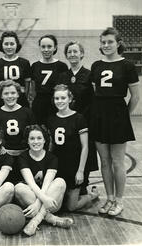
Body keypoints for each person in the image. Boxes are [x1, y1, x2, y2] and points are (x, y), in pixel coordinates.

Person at [90, 27, 139, 216]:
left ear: (118, 43)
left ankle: (119, 201)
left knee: (118, 162)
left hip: (118, 114)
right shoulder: (96, 65)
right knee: (104, 161)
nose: (106, 45)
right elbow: (95, 91)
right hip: (99, 114)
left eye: (110, 42)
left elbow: (135, 96)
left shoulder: (127, 65)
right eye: (103, 42)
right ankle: (109, 198)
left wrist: (124, 115)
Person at [47, 84, 99, 212]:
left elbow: (85, 147)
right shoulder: (51, 119)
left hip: (74, 166)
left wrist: (80, 170)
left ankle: (92, 195)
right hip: (59, 165)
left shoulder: (79, 118)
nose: (60, 101)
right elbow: (51, 146)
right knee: (57, 203)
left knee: (71, 207)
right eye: (57, 98)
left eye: (63, 98)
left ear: (70, 99)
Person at [15, 125, 73, 236]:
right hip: (32, 201)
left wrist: (39, 202)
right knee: (18, 188)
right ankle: (53, 219)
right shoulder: (23, 157)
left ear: (44, 140)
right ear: (27, 141)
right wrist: (39, 201)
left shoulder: (52, 158)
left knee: (60, 182)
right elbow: (31, 183)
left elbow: (46, 184)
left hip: (50, 201)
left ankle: (35, 221)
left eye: (39, 138)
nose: (35, 141)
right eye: (32, 138)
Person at [57, 41, 98, 195]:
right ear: (66, 55)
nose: (72, 54)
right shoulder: (62, 76)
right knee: (68, 151)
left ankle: (83, 184)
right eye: (69, 52)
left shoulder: (89, 75)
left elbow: (94, 100)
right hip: (66, 121)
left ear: (82, 54)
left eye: (75, 51)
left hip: (84, 121)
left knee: (84, 150)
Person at [0, 80, 35, 183]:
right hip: (4, 158)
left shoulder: (27, 112)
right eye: (6, 93)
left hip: (25, 158)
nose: (10, 96)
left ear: (18, 94)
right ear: (1, 96)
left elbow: (33, 134)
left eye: (13, 93)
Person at [31, 34, 68, 125]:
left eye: (49, 46)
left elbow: (65, 89)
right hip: (39, 103)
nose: (46, 50)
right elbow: (32, 89)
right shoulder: (35, 66)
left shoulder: (61, 66)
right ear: (39, 48)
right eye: (43, 47)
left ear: (55, 48)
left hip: (56, 102)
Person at [0, 31, 31, 109]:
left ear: (17, 45)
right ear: (1, 45)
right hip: (3, 101)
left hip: (20, 100)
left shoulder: (24, 63)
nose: (9, 47)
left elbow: (27, 87)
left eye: (12, 44)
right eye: (6, 44)